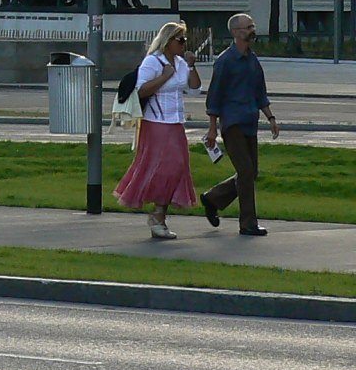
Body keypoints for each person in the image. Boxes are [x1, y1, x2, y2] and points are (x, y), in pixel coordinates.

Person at [114, 22, 201, 239]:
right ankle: (157, 216)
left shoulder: (180, 63)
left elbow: (195, 89)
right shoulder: (153, 62)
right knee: (160, 167)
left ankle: (159, 214)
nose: (183, 44)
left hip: (176, 122)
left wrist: (191, 66)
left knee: (178, 167)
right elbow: (141, 91)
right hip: (156, 123)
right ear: (168, 41)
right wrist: (164, 76)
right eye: (180, 40)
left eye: (185, 40)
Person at [202, 12, 280, 236]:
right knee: (245, 171)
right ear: (236, 32)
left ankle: (212, 198)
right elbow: (214, 97)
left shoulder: (253, 59)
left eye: (252, 25)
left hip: (249, 122)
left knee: (251, 172)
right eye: (247, 27)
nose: (252, 30)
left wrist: (271, 118)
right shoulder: (225, 61)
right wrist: (212, 127)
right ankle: (248, 223)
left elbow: (260, 92)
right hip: (232, 123)